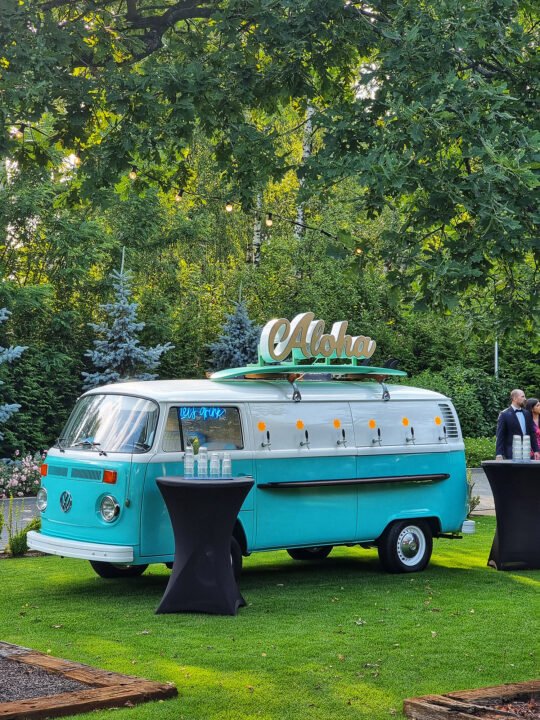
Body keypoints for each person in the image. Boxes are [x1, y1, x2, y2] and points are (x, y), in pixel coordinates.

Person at [496, 389, 540, 460]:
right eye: (522, 396)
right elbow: (500, 435)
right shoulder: (504, 415)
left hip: (526, 453)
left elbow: (532, 433)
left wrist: (536, 450)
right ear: (514, 398)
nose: (525, 399)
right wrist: (499, 453)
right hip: (511, 454)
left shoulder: (527, 414)